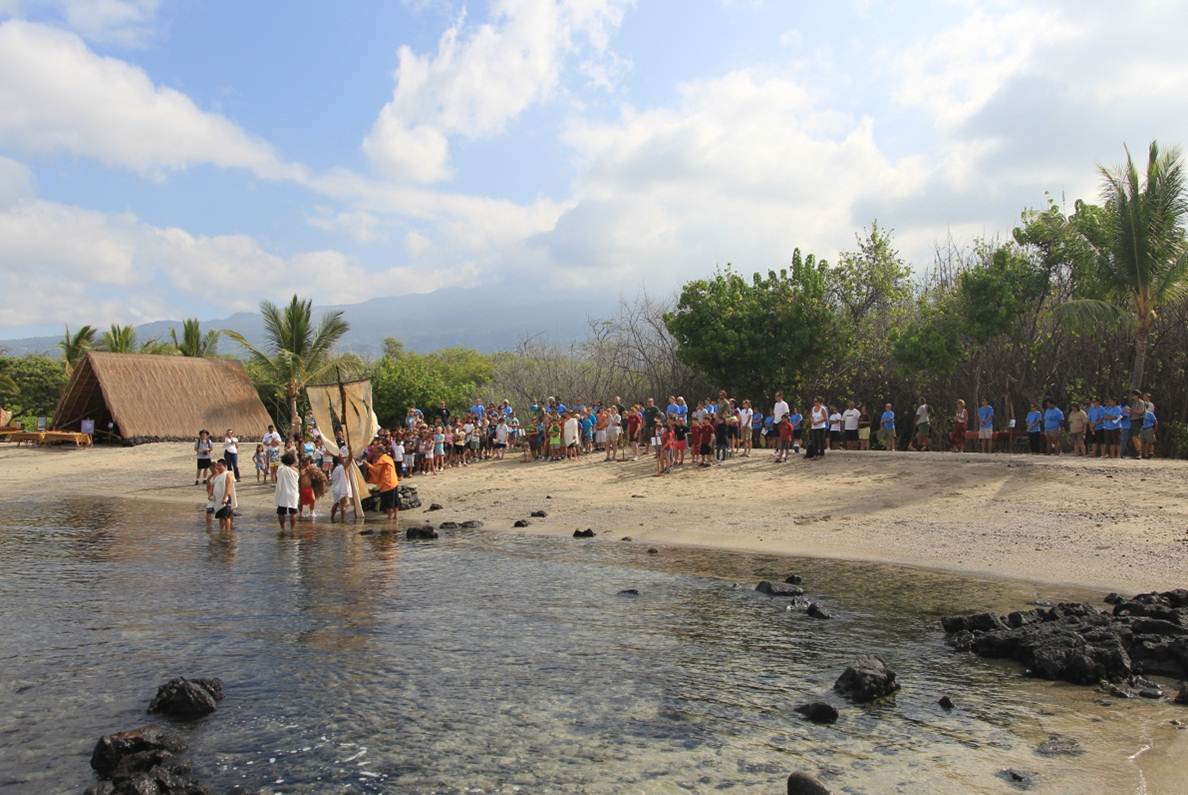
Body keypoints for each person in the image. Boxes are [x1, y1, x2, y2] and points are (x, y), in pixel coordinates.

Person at [367, 444, 400, 522]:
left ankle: (390, 518)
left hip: (387, 484)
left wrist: (368, 465)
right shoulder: (388, 458)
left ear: (380, 452)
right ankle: (396, 516)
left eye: (376, 452)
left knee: (388, 502)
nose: (375, 454)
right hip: (394, 481)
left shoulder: (383, 460)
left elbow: (376, 471)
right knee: (395, 501)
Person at [207, 459, 236, 531]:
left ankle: (227, 533)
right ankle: (222, 531)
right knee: (220, 516)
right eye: (217, 465)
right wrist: (210, 494)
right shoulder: (216, 475)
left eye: (220, 466)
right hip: (217, 499)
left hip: (225, 499)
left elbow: (228, 487)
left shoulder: (228, 474)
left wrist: (225, 497)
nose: (218, 467)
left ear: (225, 466)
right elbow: (212, 486)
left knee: (226, 517)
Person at [275, 451, 300, 531]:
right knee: (293, 512)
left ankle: (283, 528)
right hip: (293, 493)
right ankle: (292, 529)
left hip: (283, 492)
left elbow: (277, 476)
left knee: (281, 512)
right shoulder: (295, 471)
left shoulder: (281, 469)